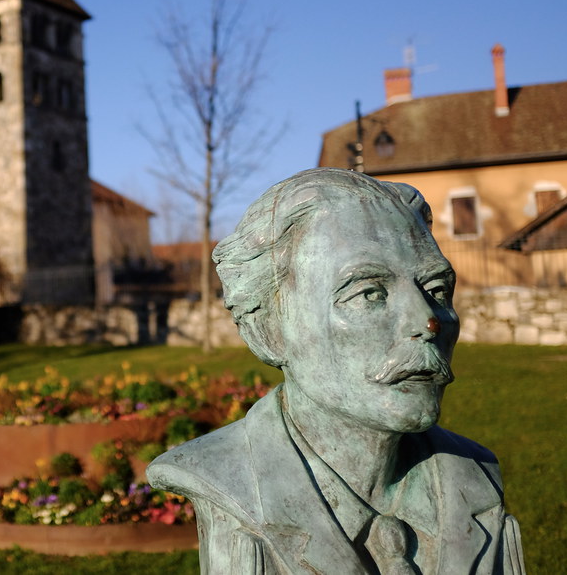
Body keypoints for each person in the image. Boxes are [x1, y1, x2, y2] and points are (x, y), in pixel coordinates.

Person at [147, 169, 524, 575]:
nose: (428, 321)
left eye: (435, 290)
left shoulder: (475, 475)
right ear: (267, 329)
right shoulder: (222, 478)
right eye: (368, 293)